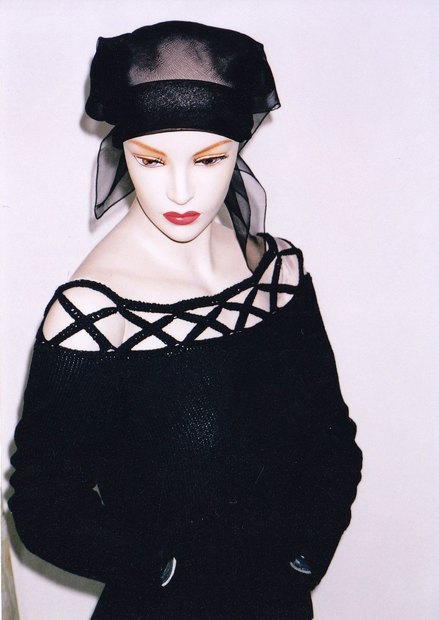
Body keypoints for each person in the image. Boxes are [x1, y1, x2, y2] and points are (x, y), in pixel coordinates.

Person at [8, 21, 362, 620]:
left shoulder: (277, 274)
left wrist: (304, 556)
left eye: (208, 159)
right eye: (150, 160)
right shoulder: (94, 317)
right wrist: (161, 569)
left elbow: (332, 440)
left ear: (238, 150)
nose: (179, 191)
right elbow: (43, 507)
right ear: (122, 152)